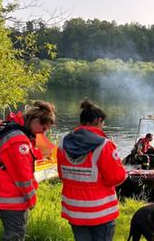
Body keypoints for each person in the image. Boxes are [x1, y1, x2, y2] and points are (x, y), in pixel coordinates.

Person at [57, 99, 126, 241]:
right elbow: (116, 177)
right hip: (101, 211)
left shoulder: (63, 142)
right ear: (98, 120)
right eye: (103, 123)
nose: (103, 126)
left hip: (75, 209)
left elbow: (62, 175)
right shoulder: (104, 145)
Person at [0, 101, 56, 241]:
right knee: (15, 236)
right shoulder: (19, 141)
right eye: (43, 128)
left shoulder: (15, 131)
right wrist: (31, 198)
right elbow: (22, 176)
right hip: (10, 197)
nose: (43, 133)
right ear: (35, 121)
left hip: (5, 193)